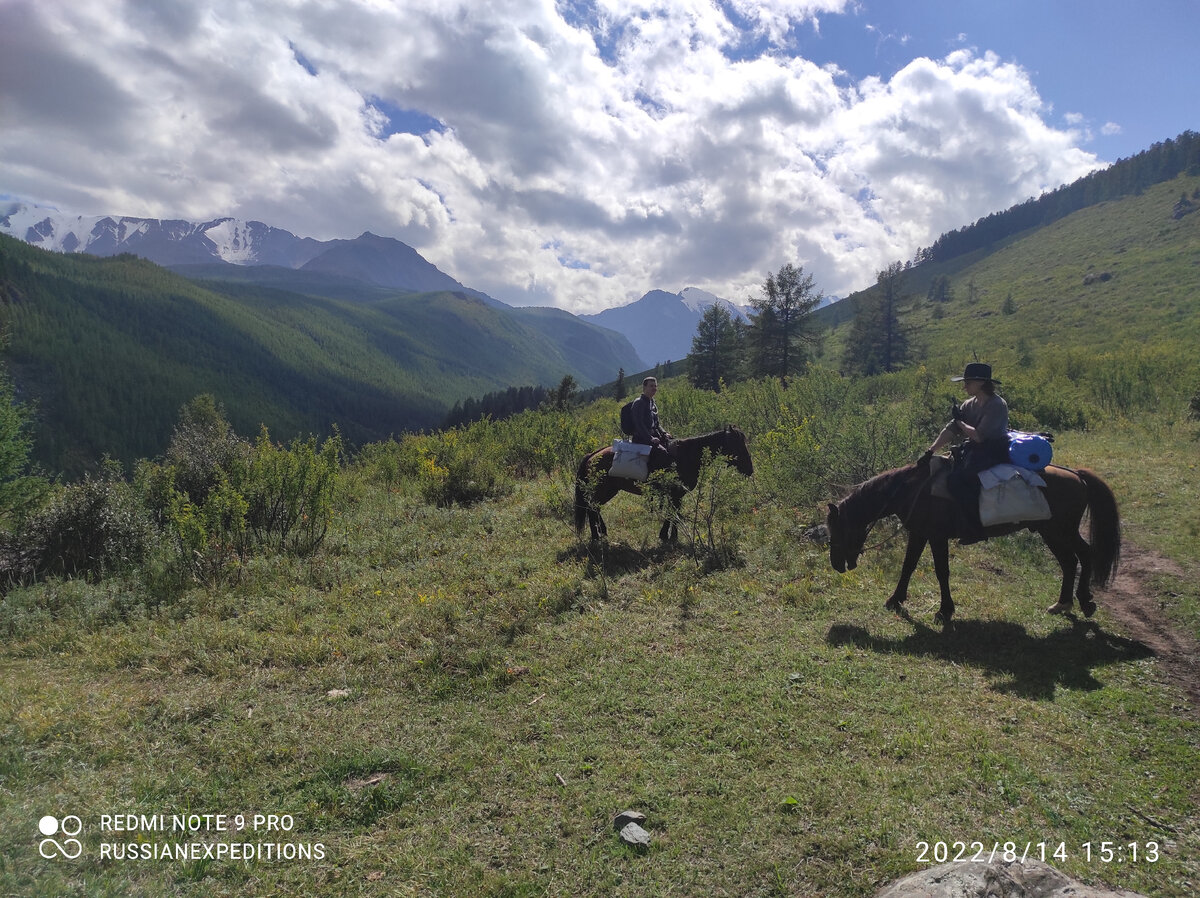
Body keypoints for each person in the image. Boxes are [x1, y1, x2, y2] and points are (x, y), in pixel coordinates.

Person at [922, 362, 1010, 543]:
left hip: (994, 451)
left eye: (968, 382)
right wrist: (931, 450)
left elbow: (979, 437)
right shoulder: (969, 404)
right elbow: (951, 429)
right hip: (976, 450)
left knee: (958, 480)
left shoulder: (997, 405)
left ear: (980, 382)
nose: (965, 386)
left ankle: (975, 528)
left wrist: (960, 422)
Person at [629, 376, 674, 470]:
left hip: (653, 437)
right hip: (641, 439)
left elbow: (657, 424)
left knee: (674, 446)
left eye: (655, 386)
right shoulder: (639, 403)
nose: (654, 388)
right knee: (662, 453)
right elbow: (639, 424)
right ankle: (653, 479)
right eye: (651, 386)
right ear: (644, 388)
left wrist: (664, 433)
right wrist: (650, 438)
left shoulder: (652, 403)